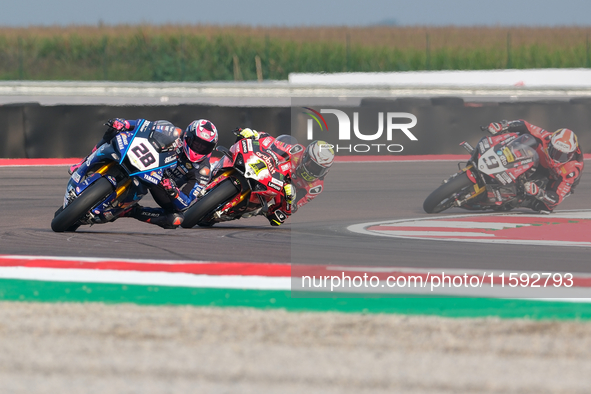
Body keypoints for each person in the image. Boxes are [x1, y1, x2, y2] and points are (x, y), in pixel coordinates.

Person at [71, 118, 218, 229]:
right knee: (114, 130)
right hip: (147, 159)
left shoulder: (203, 171)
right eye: (197, 143)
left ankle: (129, 211)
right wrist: (126, 124)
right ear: (188, 136)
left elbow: (186, 202)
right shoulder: (175, 133)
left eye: (205, 146)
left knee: (176, 219)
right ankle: (83, 162)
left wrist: (173, 192)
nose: (199, 148)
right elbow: (146, 126)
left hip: (160, 183)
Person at [234, 128, 335, 226]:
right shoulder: (297, 150)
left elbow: (295, 206)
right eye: (310, 163)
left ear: (325, 171)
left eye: (317, 168)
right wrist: (256, 135)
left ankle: (256, 209)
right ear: (305, 156)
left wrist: (290, 200)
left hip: (281, 191)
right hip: (271, 171)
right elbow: (273, 144)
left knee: (276, 219)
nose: (312, 169)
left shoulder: (315, 187)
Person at [485, 119, 583, 212]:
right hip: (542, 162)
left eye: (564, 155)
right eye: (556, 152)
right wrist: (503, 126)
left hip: (555, 178)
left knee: (546, 206)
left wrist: (538, 192)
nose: (558, 158)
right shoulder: (546, 138)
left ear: (572, 153)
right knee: (526, 139)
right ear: (551, 145)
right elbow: (525, 125)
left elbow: (556, 198)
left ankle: (514, 202)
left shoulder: (572, 169)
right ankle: (499, 158)